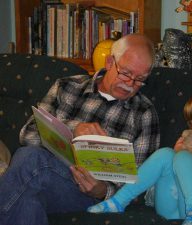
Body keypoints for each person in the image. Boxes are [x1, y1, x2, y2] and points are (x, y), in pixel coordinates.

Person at [0, 34, 160, 225]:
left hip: (86, 195)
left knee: (29, 159)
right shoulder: (67, 87)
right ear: (110, 62)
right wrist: (73, 128)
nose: (130, 84)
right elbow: (27, 135)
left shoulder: (144, 113)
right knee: (28, 200)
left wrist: (103, 191)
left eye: (140, 79)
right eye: (125, 73)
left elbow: (142, 183)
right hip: (43, 175)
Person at [87, 86, 192, 225]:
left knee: (183, 157)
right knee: (166, 154)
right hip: (170, 208)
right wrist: (179, 154)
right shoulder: (191, 145)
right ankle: (118, 201)